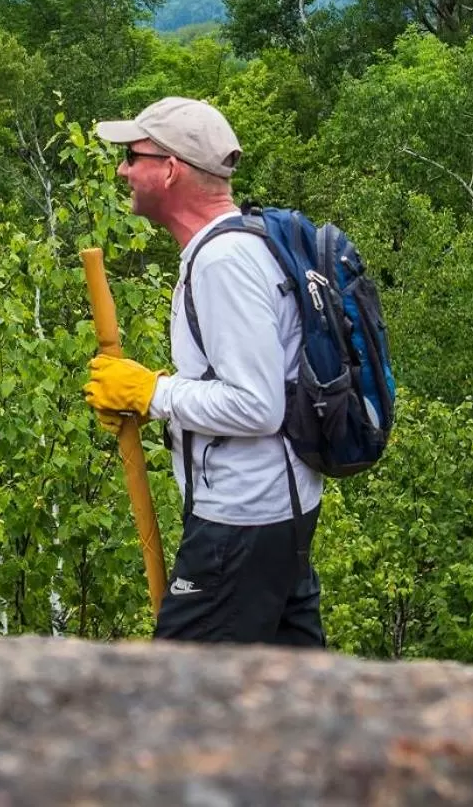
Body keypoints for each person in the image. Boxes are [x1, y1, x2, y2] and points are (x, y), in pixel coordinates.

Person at [84, 96, 324, 646]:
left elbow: (257, 405)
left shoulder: (222, 263)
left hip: (240, 525)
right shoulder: (247, 243)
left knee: (184, 698)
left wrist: (153, 393)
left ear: (169, 170)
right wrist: (156, 399)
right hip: (273, 517)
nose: (123, 169)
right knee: (289, 693)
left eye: (132, 155)